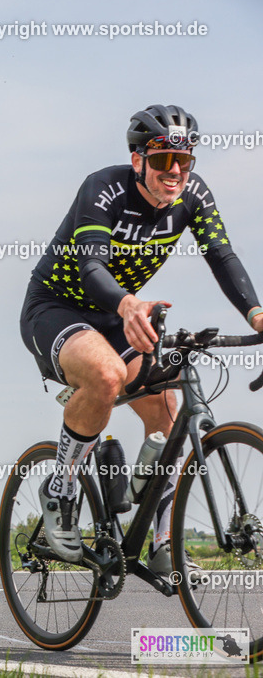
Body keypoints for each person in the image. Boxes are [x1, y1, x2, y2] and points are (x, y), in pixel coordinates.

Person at [21, 105, 263, 570]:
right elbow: (91, 266)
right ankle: (62, 487)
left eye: (184, 161)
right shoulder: (103, 189)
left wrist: (256, 315)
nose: (174, 172)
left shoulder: (194, 195)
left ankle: (161, 540)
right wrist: (128, 303)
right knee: (108, 374)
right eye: (161, 161)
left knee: (167, 409)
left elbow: (222, 255)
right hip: (56, 307)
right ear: (138, 161)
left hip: (118, 313)